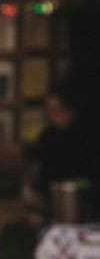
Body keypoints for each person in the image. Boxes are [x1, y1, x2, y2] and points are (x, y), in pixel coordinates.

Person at [27, 80, 100, 220]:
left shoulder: (89, 136)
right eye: (49, 111)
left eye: (57, 110)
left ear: (71, 111)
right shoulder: (48, 135)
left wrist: (70, 185)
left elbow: (92, 177)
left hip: (85, 203)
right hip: (51, 204)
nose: (52, 116)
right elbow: (39, 165)